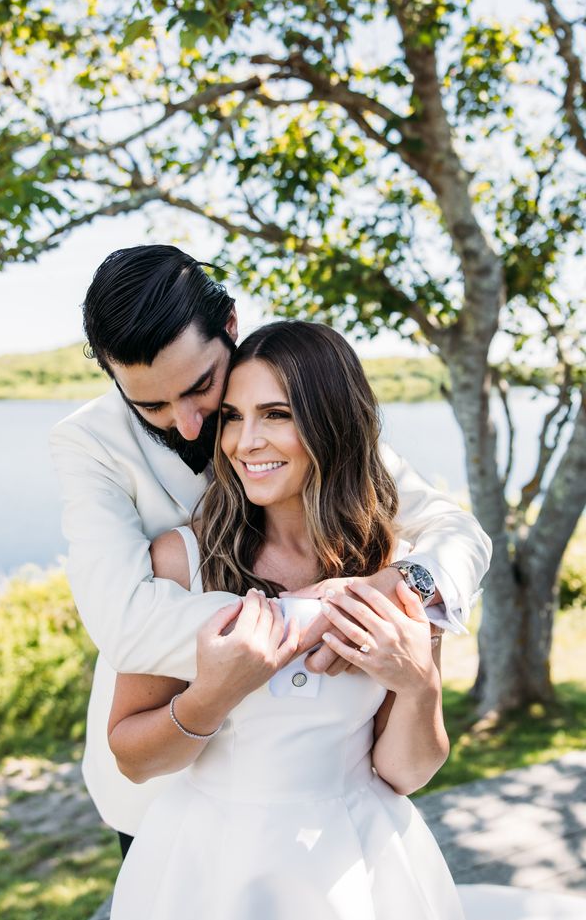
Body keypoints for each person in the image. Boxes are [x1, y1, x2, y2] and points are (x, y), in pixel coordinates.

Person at [49, 245, 491, 857]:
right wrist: (317, 615)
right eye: (149, 404)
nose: (189, 425)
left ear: (230, 326)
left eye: (203, 388)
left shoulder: (295, 400)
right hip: (164, 797)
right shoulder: (86, 445)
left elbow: (456, 532)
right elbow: (123, 621)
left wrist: (394, 589)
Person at [107, 320, 475, 920]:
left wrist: (418, 686)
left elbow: (405, 773)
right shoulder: (180, 564)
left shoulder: (396, 568)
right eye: (231, 417)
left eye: (275, 414)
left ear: (331, 423)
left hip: (356, 871)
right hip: (210, 872)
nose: (245, 443)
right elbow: (134, 758)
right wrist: (212, 696)